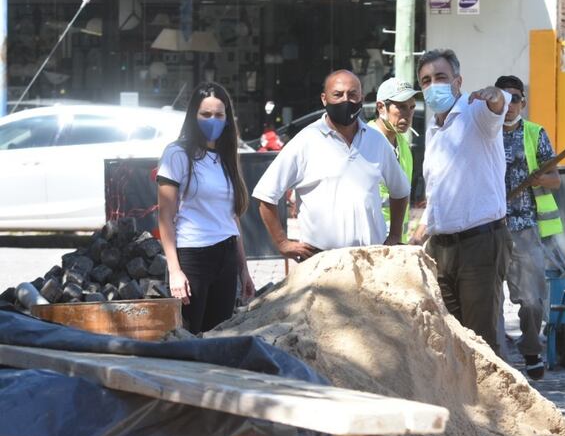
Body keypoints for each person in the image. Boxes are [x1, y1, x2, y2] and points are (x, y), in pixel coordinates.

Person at [411, 49, 512, 355]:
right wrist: (420, 234)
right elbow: (438, 192)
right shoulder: (434, 130)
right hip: (442, 248)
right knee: (451, 340)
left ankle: (491, 389)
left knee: (480, 342)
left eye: (440, 77)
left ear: (458, 81)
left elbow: (498, 107)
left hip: (479, 244)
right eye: (426, 80)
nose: (433, 86)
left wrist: (496, 95)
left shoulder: (475, 111)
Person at [252, 70, 410, 261]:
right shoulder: (306, 140)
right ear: (324, 99)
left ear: (361, 97)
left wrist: (395, 235)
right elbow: (266, 195)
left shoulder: (377, 141)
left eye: (352, 94)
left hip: (371, 259)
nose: (346, 100)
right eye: (338, 94)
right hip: (322, 261)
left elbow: (400, 190)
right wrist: (282, 243)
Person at [157, 82, 256, 334]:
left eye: (219, 115)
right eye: (206, 114)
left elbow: (232, 217)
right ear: (194, 115)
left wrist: (243, 269)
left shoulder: (227, 156)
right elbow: (165, 216)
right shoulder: (177, 153)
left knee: (218, 337)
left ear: (227, 118)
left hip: (227, 256)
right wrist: (175, 271)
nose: (213, 120)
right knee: (189, 336)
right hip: (193, 256)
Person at [495, 75, 561, 380]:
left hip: (524, 228)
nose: (510, 105)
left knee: (532, 300)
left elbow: (555, 180)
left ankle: (532, 348)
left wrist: (538, 178)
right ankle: (494, 354)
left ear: (523, 102)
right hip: (487, 226)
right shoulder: (483, 130)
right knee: (488, 299)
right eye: (504, 99)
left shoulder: (535, 133)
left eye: (515, 99)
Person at [371, 77, 418, 243]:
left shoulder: (403, 144)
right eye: (401, 107)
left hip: (395, 243)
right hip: (371, 242)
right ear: (381, 107)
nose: (408, 114)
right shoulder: (365, 142)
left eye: (412, 107)